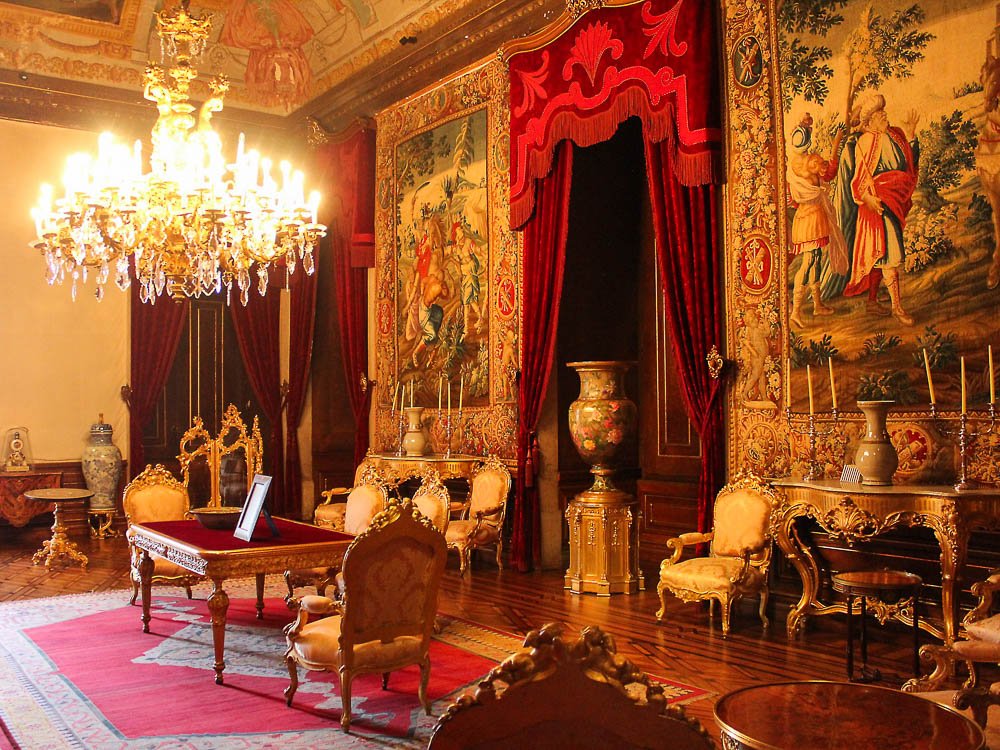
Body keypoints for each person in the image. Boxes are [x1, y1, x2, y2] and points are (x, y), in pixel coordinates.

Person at [834, 92, 920, 326]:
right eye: (880, 114)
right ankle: (897, 308)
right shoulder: (866, 142)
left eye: (883, 112)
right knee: (888, 256)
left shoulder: (895, 135)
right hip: (877, 205)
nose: (885, 115)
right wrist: (867, 199)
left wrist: (911, 137)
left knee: (879, 256)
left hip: (894, 199)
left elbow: (909, 165)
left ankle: (872, 302)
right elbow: (858, 181)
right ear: (870, 121)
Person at [786, 115, 848, 327]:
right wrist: (837, 142)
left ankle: (817, 304)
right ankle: (795, 311)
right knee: (810, 260)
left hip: (812, 216)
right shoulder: (810, 161)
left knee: (817, 258)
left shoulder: (793, 162)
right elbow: (829, 172)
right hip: (809, 219)